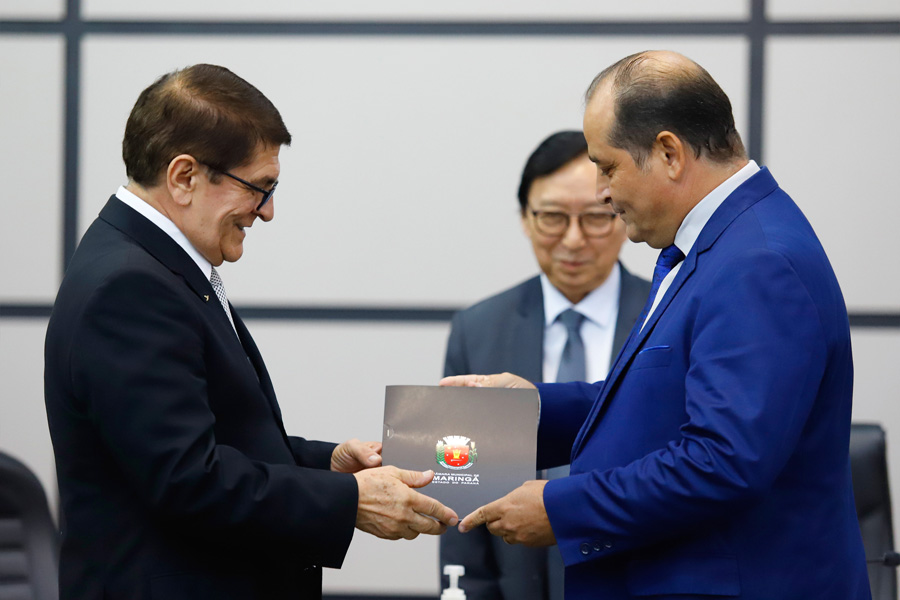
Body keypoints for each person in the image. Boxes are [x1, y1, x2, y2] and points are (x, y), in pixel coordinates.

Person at [442, 51, 870, 599]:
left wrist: (561, 507)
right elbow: (660, 402)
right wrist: (529, 413)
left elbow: (722, 462)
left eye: (608, 165)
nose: (601, 190)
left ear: (668, 152)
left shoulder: (757, 263)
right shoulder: (722, 245)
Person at [43, 64, 457, 600]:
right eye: (258, 188)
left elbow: (214, 437)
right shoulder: (128, 287)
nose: (267, 212)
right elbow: (188, 480)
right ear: (184, 176)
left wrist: (325, 465)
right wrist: (350, 500)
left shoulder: (151, 265)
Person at [439, 130, 650, 600]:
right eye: (552, 217)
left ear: (619, 214)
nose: (573, 241)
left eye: (596, 217)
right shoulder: (479, 328)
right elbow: (460, 491)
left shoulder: (663, 321)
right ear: (524, 219)